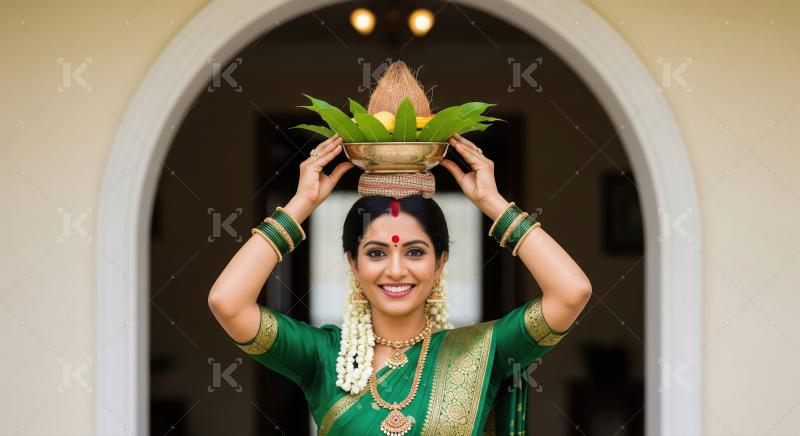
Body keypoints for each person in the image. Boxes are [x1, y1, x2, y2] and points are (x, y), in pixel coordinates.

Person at [208, 128, 593, 434]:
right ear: (353, 264)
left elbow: (571, 293)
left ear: (440, 262)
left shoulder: (480, 353)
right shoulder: (324, 357)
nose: (395, 270)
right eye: (376, 252)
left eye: (414, 252)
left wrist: (493, 204)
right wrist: (301, 204)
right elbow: (228, 302)